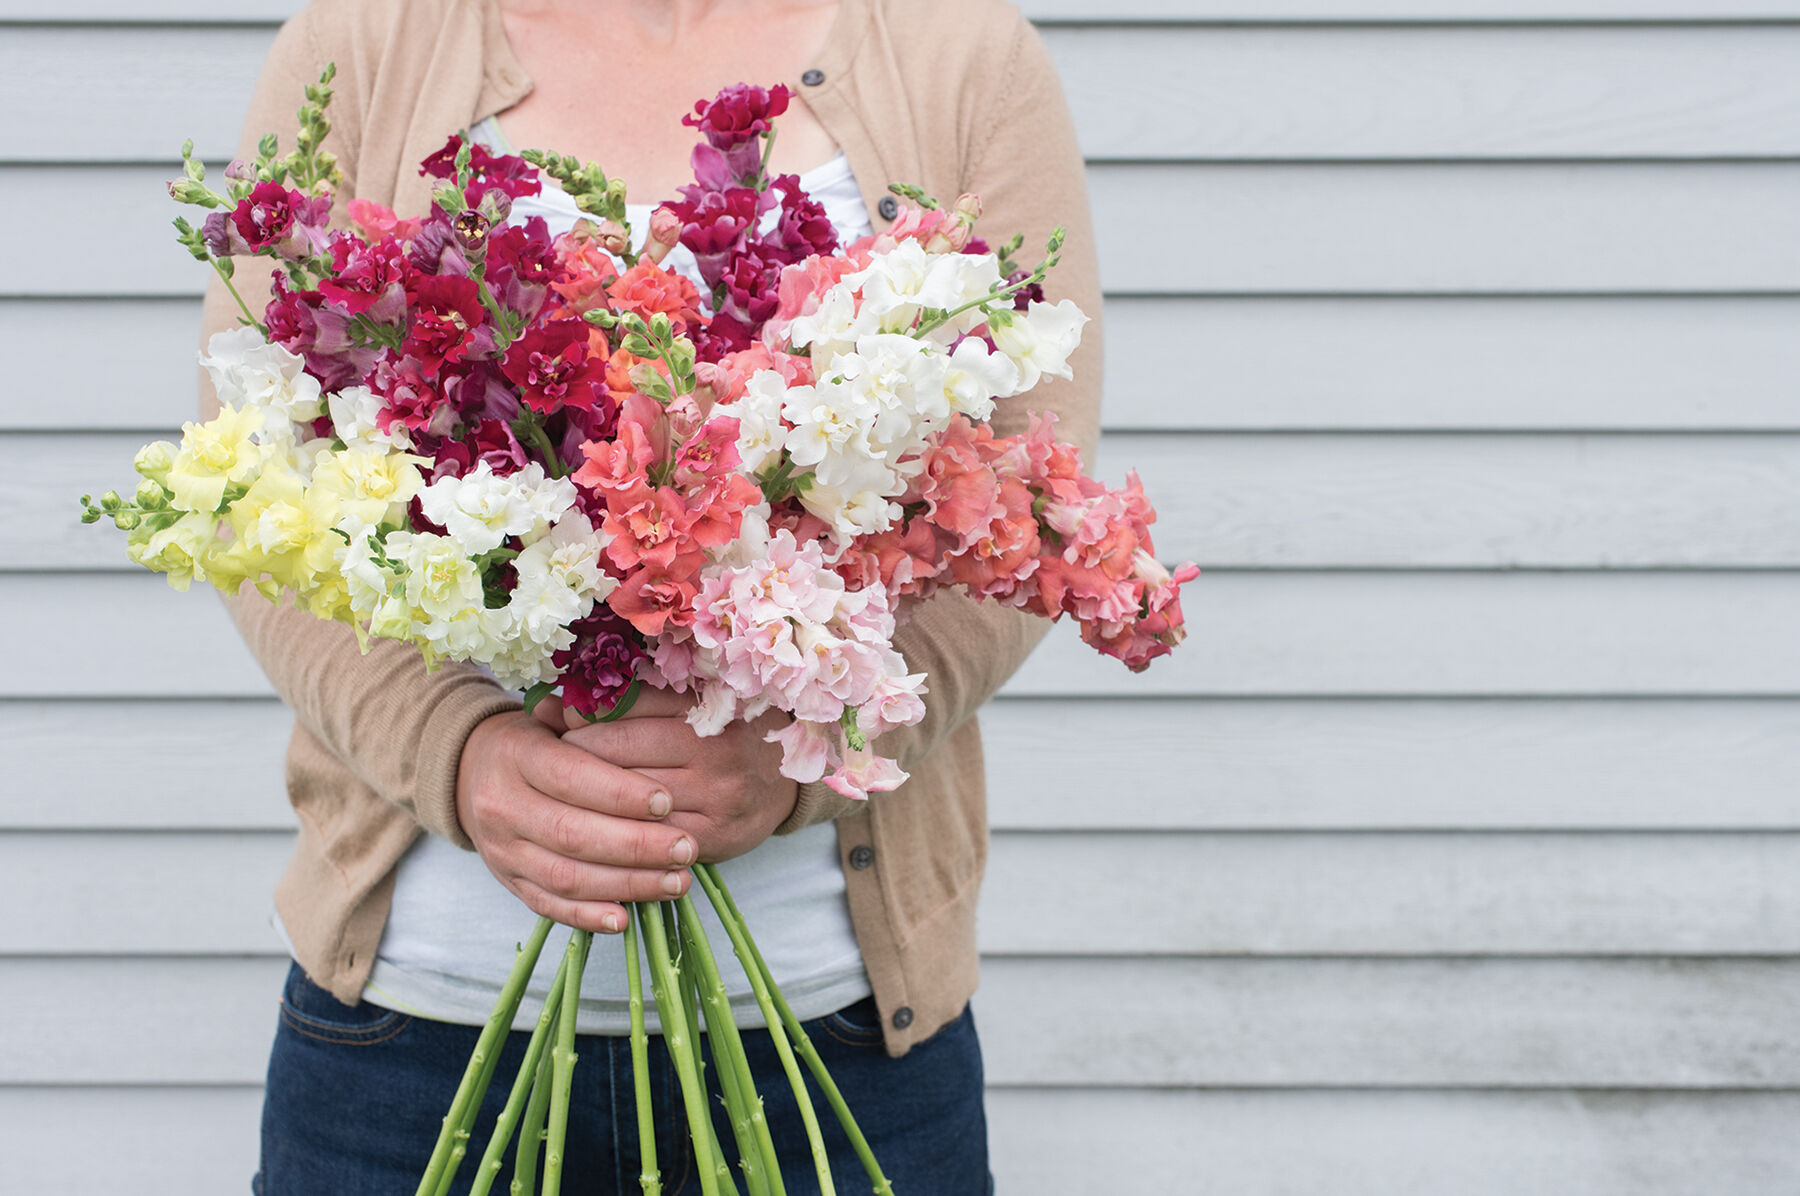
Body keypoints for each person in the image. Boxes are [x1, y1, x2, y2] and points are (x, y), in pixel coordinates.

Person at [203, 0, 1102, 1191]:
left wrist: (801, 748)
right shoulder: (366, 39)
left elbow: (1031, 516)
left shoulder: (959, 53)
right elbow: (261, 504)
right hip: (414, 1046)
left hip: (825, 1051)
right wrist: (456, 750)